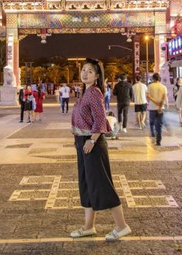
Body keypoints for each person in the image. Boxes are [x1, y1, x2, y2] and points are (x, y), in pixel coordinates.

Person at [70, 58, 131, 241]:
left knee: (102, 184)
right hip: (83, 142)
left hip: (93, 143)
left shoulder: (94, 92)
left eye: (90, 71)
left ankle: (122, 226)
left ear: (97, 76)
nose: (85, 73)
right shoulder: (85, 92)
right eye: (84, 70)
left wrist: (92, 140)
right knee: (87, 184)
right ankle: (88, 227)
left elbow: (100, 118)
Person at [146, 73, 168, 146]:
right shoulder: (163, 87)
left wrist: (155, 102)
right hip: (161, 108)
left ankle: (153, 135)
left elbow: (148, 96)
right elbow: (164, 97)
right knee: (159, 124)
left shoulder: (150, 86)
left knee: (152, 123)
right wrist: (160, 105)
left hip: (152, 107)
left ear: (153, 79)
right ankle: (158, 139)